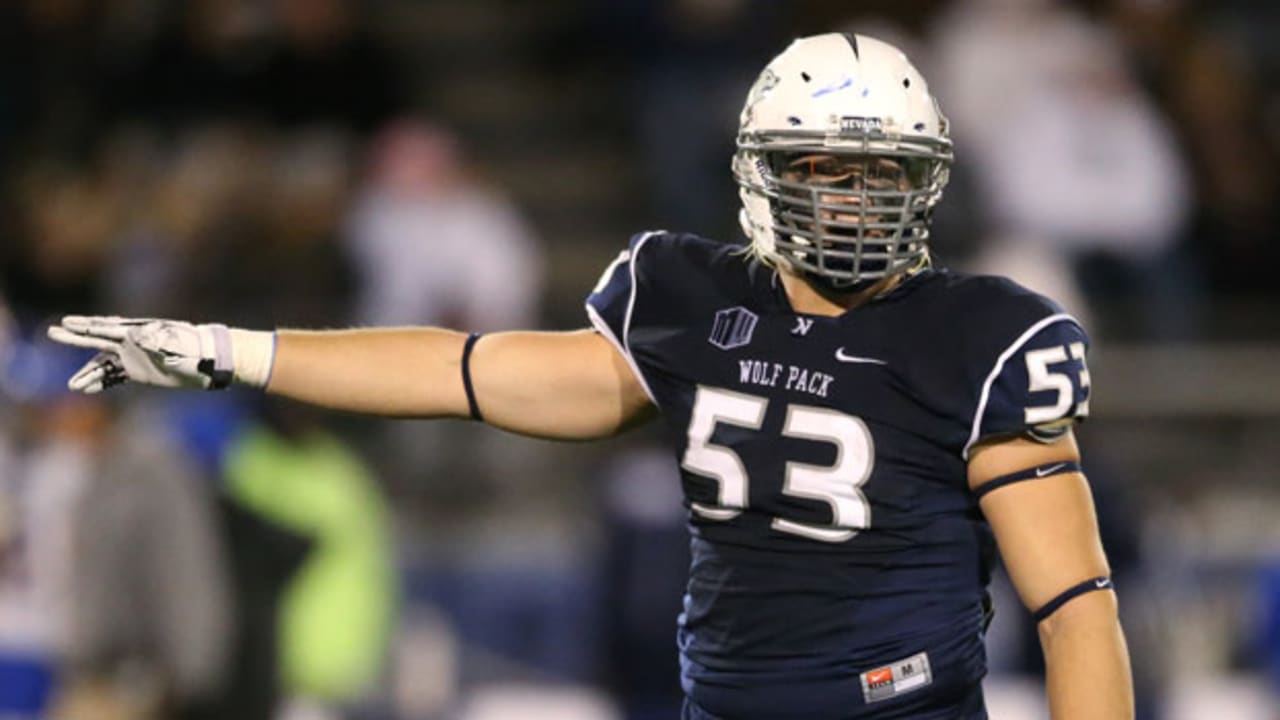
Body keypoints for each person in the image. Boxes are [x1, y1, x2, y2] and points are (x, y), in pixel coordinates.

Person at [47, 33, 1133, 720]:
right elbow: (461, 369)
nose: (850, 196)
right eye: (821, 166)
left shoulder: (978, 334)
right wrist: (240, 353)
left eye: (878, 172)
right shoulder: (686, 300)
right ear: (763, 171)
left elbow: (1074, 608)